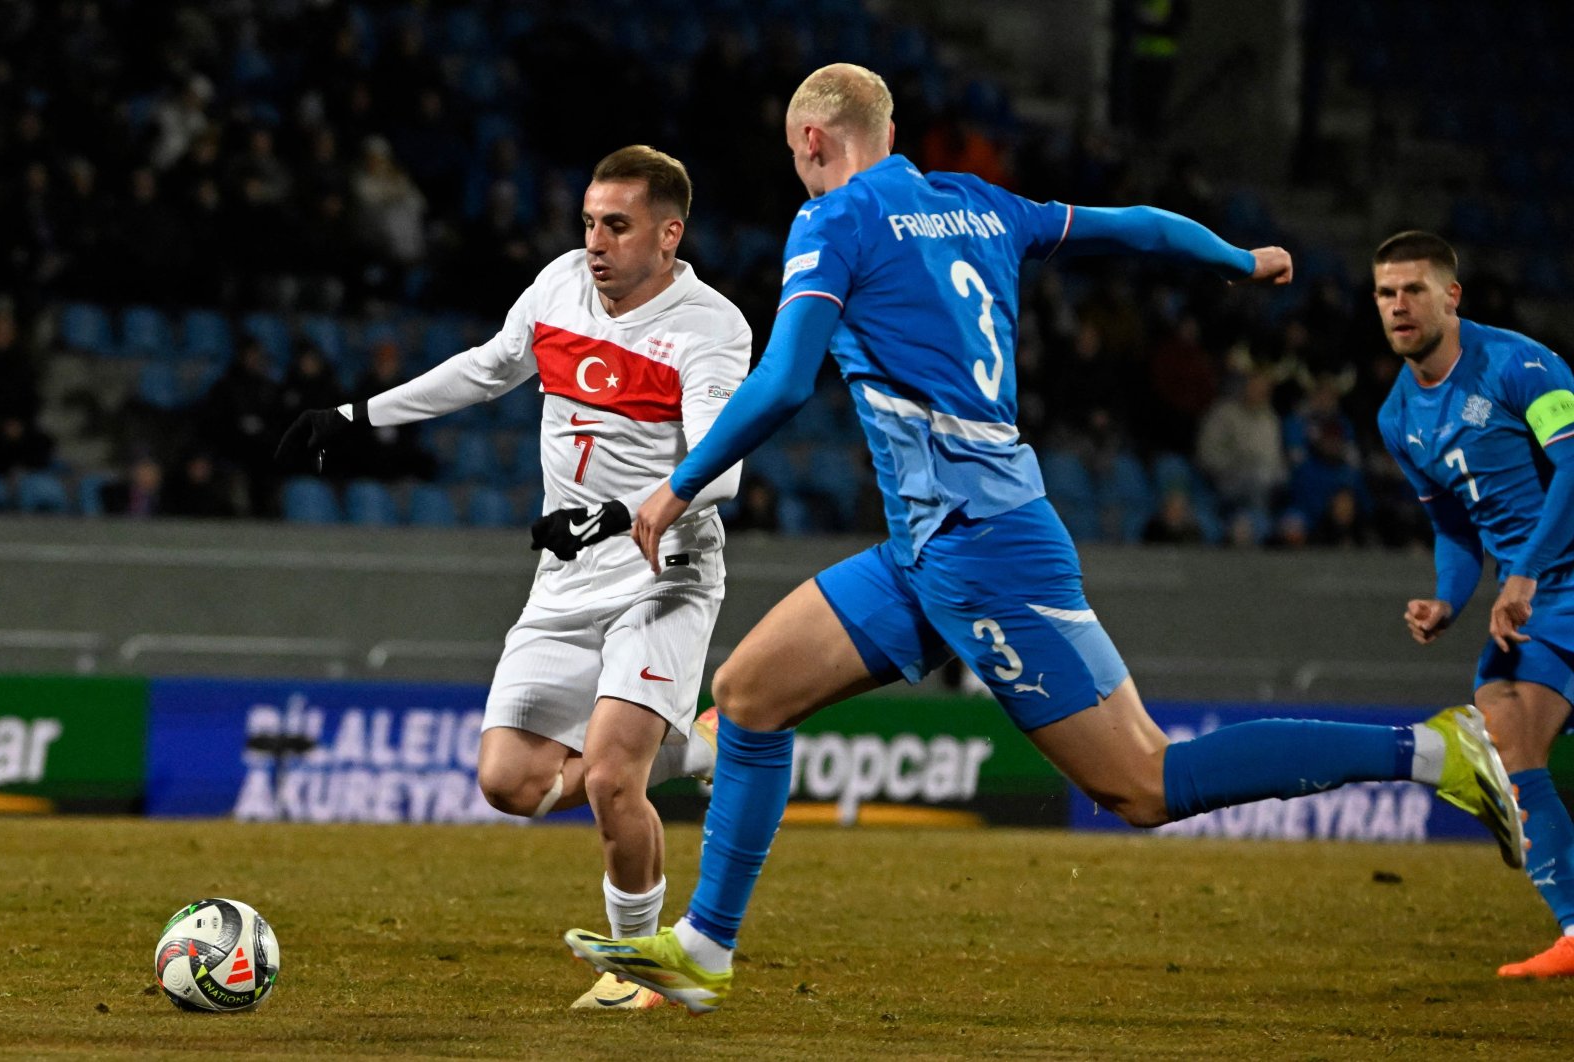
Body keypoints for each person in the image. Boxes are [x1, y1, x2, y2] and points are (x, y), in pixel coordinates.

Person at [562, 64, 1525, 1012]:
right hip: (927, 546)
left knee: (1144, 782)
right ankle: (703, 949)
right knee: (751, 695)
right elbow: (1133, 227)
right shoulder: (982, 206)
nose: (798, 171)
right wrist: (1235, 258)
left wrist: (675, 487)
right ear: (889, 134)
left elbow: (780, 382)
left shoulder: (833, 221)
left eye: (794, 154)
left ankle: (1431, 753)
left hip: (981, 549)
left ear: (812, 141)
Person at [276, 145, 751, 1009]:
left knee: (610, 777)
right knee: (510, 784)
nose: (595, 241)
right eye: (588, 222)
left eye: (616, 225)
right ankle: (699, 748)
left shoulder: (710, 326)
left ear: (669, 233)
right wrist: (357, 414)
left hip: (664, 570)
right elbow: (493, 365)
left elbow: (723, 470)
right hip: (565, 578)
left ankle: (639, 963)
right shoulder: (562, 283)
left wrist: (619, 512)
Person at [1372, 230, 1574, 978]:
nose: (1399, 306)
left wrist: (1521, 573)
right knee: (1506, 729)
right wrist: (1449, 599)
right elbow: (1454, 527)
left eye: (1413, 290)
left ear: (1451, 296)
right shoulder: (1399, 418)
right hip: (1538, 599)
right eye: (1386, 293)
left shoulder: (1521, 365)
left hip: (1546, 582)